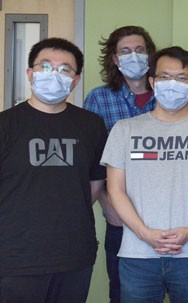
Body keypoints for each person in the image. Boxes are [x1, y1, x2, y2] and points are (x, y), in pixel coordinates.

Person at [101, 46, 188, 303]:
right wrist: (143, 233)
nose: (172, 83)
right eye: (164, 76)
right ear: (152, 81)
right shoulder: (124, 130)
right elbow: (115, 189)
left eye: (181, 78)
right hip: (137, 255)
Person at [0, 37, 106, 302]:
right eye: (45, 67)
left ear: (76, 80)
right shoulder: (6, 124)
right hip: (16, 257)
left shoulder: (91, 125)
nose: (54, 75)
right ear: (30, 73)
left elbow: (94, 184)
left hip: (75, 255)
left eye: (65, 69)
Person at [83, 26, 158, 303]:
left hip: (164, 211)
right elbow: (91, 159)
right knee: (123, 291)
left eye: (139, 50)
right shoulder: (98, 98)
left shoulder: (170, 93)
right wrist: (105, 201)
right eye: (125, 51)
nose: (133, 56)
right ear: (114, 59)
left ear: (149, 55)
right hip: (119, 214)